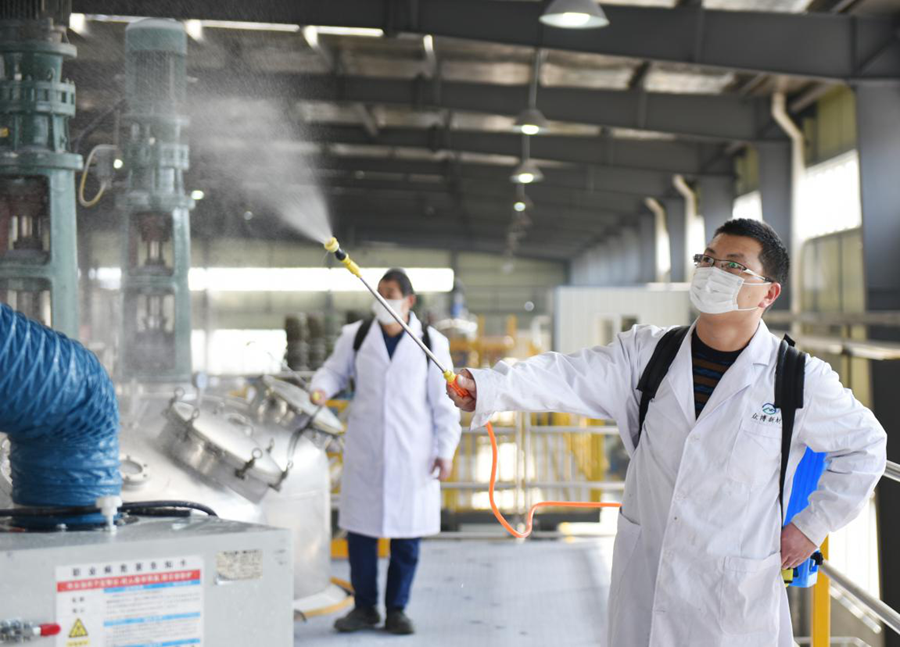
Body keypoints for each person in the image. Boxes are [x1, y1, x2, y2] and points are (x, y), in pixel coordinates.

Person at [446, 219, 886, 646]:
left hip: (732, 592)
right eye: (708, 259)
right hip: (647, 573)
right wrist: (488, 386)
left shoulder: (798, 379)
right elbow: (567, 375)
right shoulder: (648, 354)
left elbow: (866, 447)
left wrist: (811, 527)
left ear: (769, 293)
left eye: (734, 265)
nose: (713, 272)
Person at [311, 268, 461, 636]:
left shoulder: (431, 342)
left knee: (406, 538)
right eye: (379, 292)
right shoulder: (357, 335)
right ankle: (364, 609)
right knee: (361, 535)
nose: (383, 299)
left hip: (414, 452)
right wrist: (321, 389)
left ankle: (397, 610)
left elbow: (445, 404)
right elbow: (333, 371)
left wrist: (446, 450)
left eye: (391, 293)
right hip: (366, 450)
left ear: (409, 300)